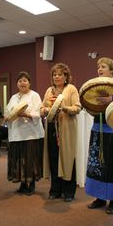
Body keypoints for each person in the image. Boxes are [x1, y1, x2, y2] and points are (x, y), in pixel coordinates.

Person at [41, 63, 81, 202]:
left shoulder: (71, 89)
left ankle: (68, 191)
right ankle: (55, 189)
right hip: (52, 126)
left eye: (60, 74)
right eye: (54, 74)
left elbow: (77, 107)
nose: (57, 77)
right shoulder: (49, 91)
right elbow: (42, 108)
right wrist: (47, 110)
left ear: (66, 76)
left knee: (67, 159)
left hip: (66, 128)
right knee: (53, 158)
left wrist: (64, 108)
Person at [83, 57, 113, 214]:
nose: (100, 69)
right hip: (97, 128)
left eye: (103, 66)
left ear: (111, 70)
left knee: (111, 164)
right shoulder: (94, 87)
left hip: (112, 130)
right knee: (96, 164)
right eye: (98, 66)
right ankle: (99, 197)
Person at [5, 71, 44, 195]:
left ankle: (31, 183)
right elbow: (8, 111)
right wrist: (7, 116)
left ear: (29, 83)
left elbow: (39, 113)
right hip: (16, 134)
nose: (22, 83)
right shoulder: (13, 97)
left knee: (30, 159)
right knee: (19, 159)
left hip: (31, 133)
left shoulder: (34, 95)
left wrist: (25, 114)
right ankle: (22, 183)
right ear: (17, 84)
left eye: (25, 80)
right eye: (20, 81)